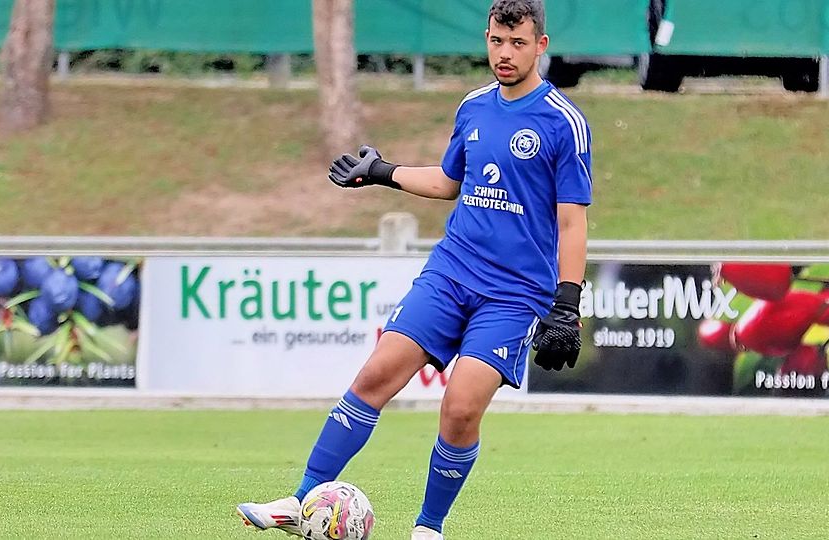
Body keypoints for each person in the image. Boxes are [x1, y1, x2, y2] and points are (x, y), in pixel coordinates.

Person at [237, 1, 592, 538]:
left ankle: (428, 528)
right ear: (487, 38)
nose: (505, 53)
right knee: (375, 375)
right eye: (497, 41)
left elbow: (571, 221)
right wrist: (383, 171)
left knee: (460, 408)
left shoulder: (564, 122)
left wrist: (567, 302)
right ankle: (301, 499)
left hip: (515, 295)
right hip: (451, 272)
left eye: (518, 43)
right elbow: (450, 182)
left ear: (540, 46)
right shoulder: (473, 107)